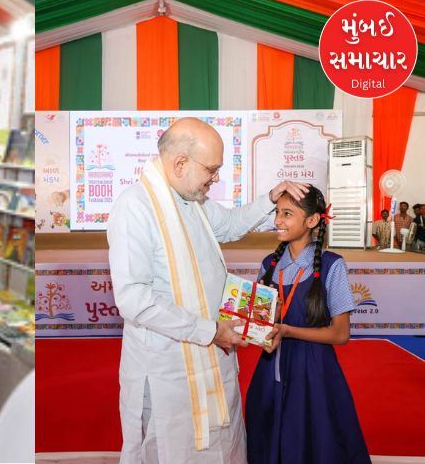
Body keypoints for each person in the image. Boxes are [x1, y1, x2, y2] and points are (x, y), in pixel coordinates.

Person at [106, 117, 308, 463]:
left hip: (212, 351)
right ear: (181, 163)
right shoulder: (136, 207)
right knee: (173, 450)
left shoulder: (190, 201)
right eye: (211, 169)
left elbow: (229, 225)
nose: (215, 178)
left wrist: (270, 199)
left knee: (220, 445)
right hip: (169, 366)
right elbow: (133, 298)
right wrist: (209, 331)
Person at [245, 185, 370, 463]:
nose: (278, 220)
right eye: (278, 212)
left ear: (312, 221)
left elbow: (340, 334)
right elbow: (259, 324)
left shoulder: (331, 265)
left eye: (288, 213)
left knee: (316, 443)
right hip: (269, 370)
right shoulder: (269, 264)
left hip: (314, 372)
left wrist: (287, 330)